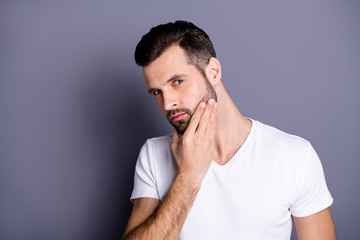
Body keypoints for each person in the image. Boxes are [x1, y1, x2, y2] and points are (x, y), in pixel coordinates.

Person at [122, 20, 336, 240]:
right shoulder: (153, 154)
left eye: (177, 82)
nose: (167, 104)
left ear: (213, 72)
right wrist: (189, 175)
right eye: (157, 92)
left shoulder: (294, 155)